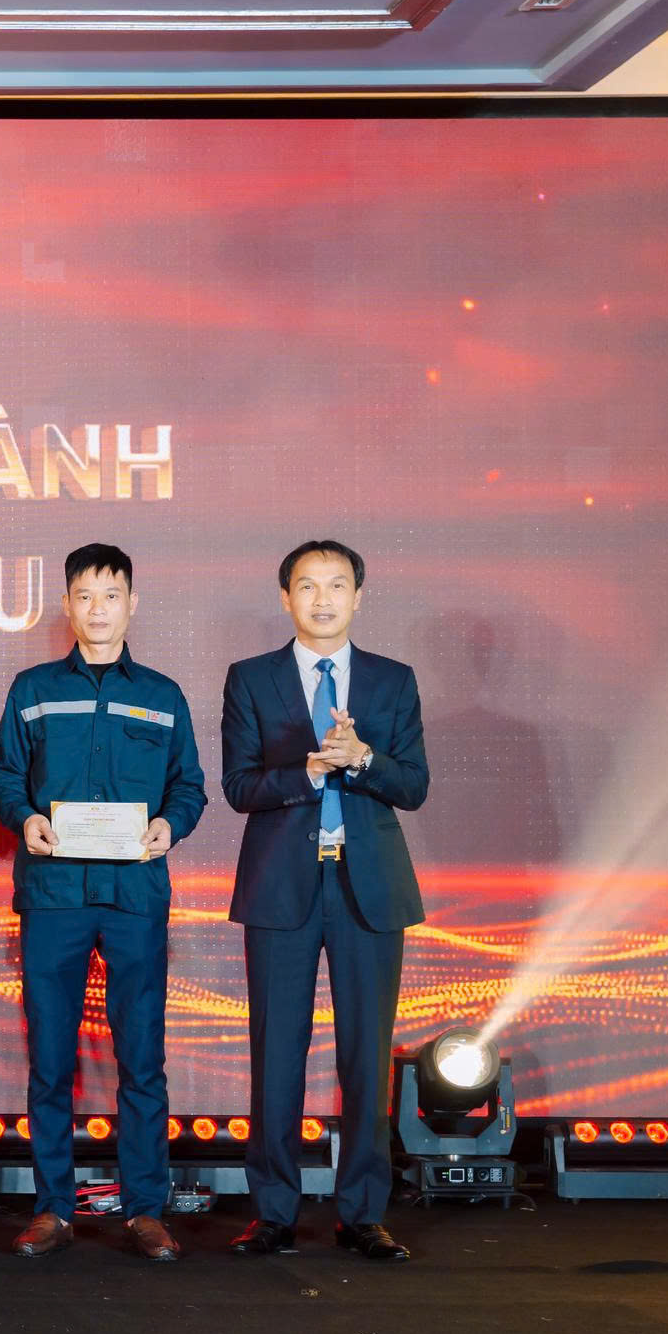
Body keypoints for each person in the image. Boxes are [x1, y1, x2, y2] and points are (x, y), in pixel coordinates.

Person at [0, 545, 206, 1262]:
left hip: (135, 895)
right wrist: (25, 817)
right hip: (55, 893)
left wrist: (171, 824)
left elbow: (189, 785)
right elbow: (3, 774)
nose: (98, 608)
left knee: (142, 1058)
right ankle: (53, 1208)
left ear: (131, 604)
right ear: (68, 606)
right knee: (50, 1058)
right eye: (85, 595)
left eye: (111, 595)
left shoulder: (164, 695)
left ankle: (145, 1210)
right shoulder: (34, 689)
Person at [220, 539, 429, 1262]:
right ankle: (273, 1212)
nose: (322, 598)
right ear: (286, 597)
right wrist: (307, 772)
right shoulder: (251, 678)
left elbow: (414, 786)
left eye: (337, 585)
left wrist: (362, 758)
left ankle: (363, 1213)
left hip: (368, 889)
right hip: (282, 886)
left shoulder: (392, 680)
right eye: (307, 585)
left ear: (358, 596)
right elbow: (239, 787)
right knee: (276, 1054)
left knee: (366, 1058)